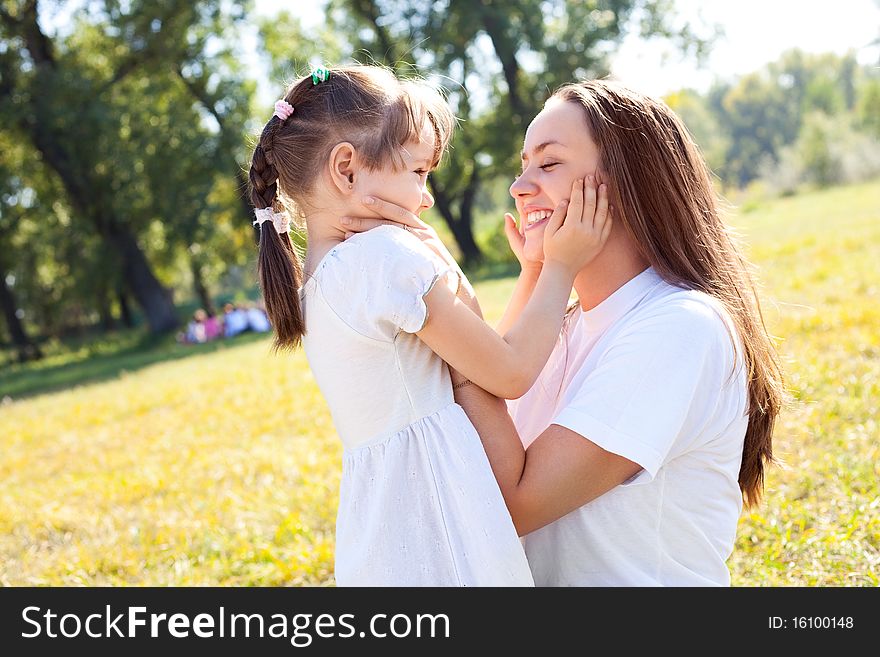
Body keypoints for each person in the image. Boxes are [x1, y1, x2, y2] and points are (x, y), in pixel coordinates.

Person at [343, 79, 785, 586]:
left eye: (549, 164)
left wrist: (447, 317)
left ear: (628, 184)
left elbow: (509, 504)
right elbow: (475, 440)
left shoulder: (681, 328)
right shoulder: (565, 324)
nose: (519, 186)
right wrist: (530, 276)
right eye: (524, 164)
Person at [247, 65, 612, 586]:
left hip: (387, 527)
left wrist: (526, 271)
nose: (427, 198)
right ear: (347, 170)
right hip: (440, 517)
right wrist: (560, 266)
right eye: (418, 173)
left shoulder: (328, 278)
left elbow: (480, 357)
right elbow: (508, 373)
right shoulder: (382, 257)